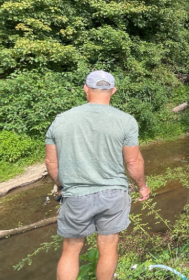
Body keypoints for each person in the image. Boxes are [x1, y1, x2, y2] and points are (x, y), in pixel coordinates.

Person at [45, 71, 150, 280]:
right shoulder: (126, 120)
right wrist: (142, 185)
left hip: (75, 194)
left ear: (86, 88)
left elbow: (51, 162)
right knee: (109, 247)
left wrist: (62, 185)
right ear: (113, 91)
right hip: (113, 193)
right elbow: (133, 161)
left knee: (71, 249)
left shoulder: (61, 120)